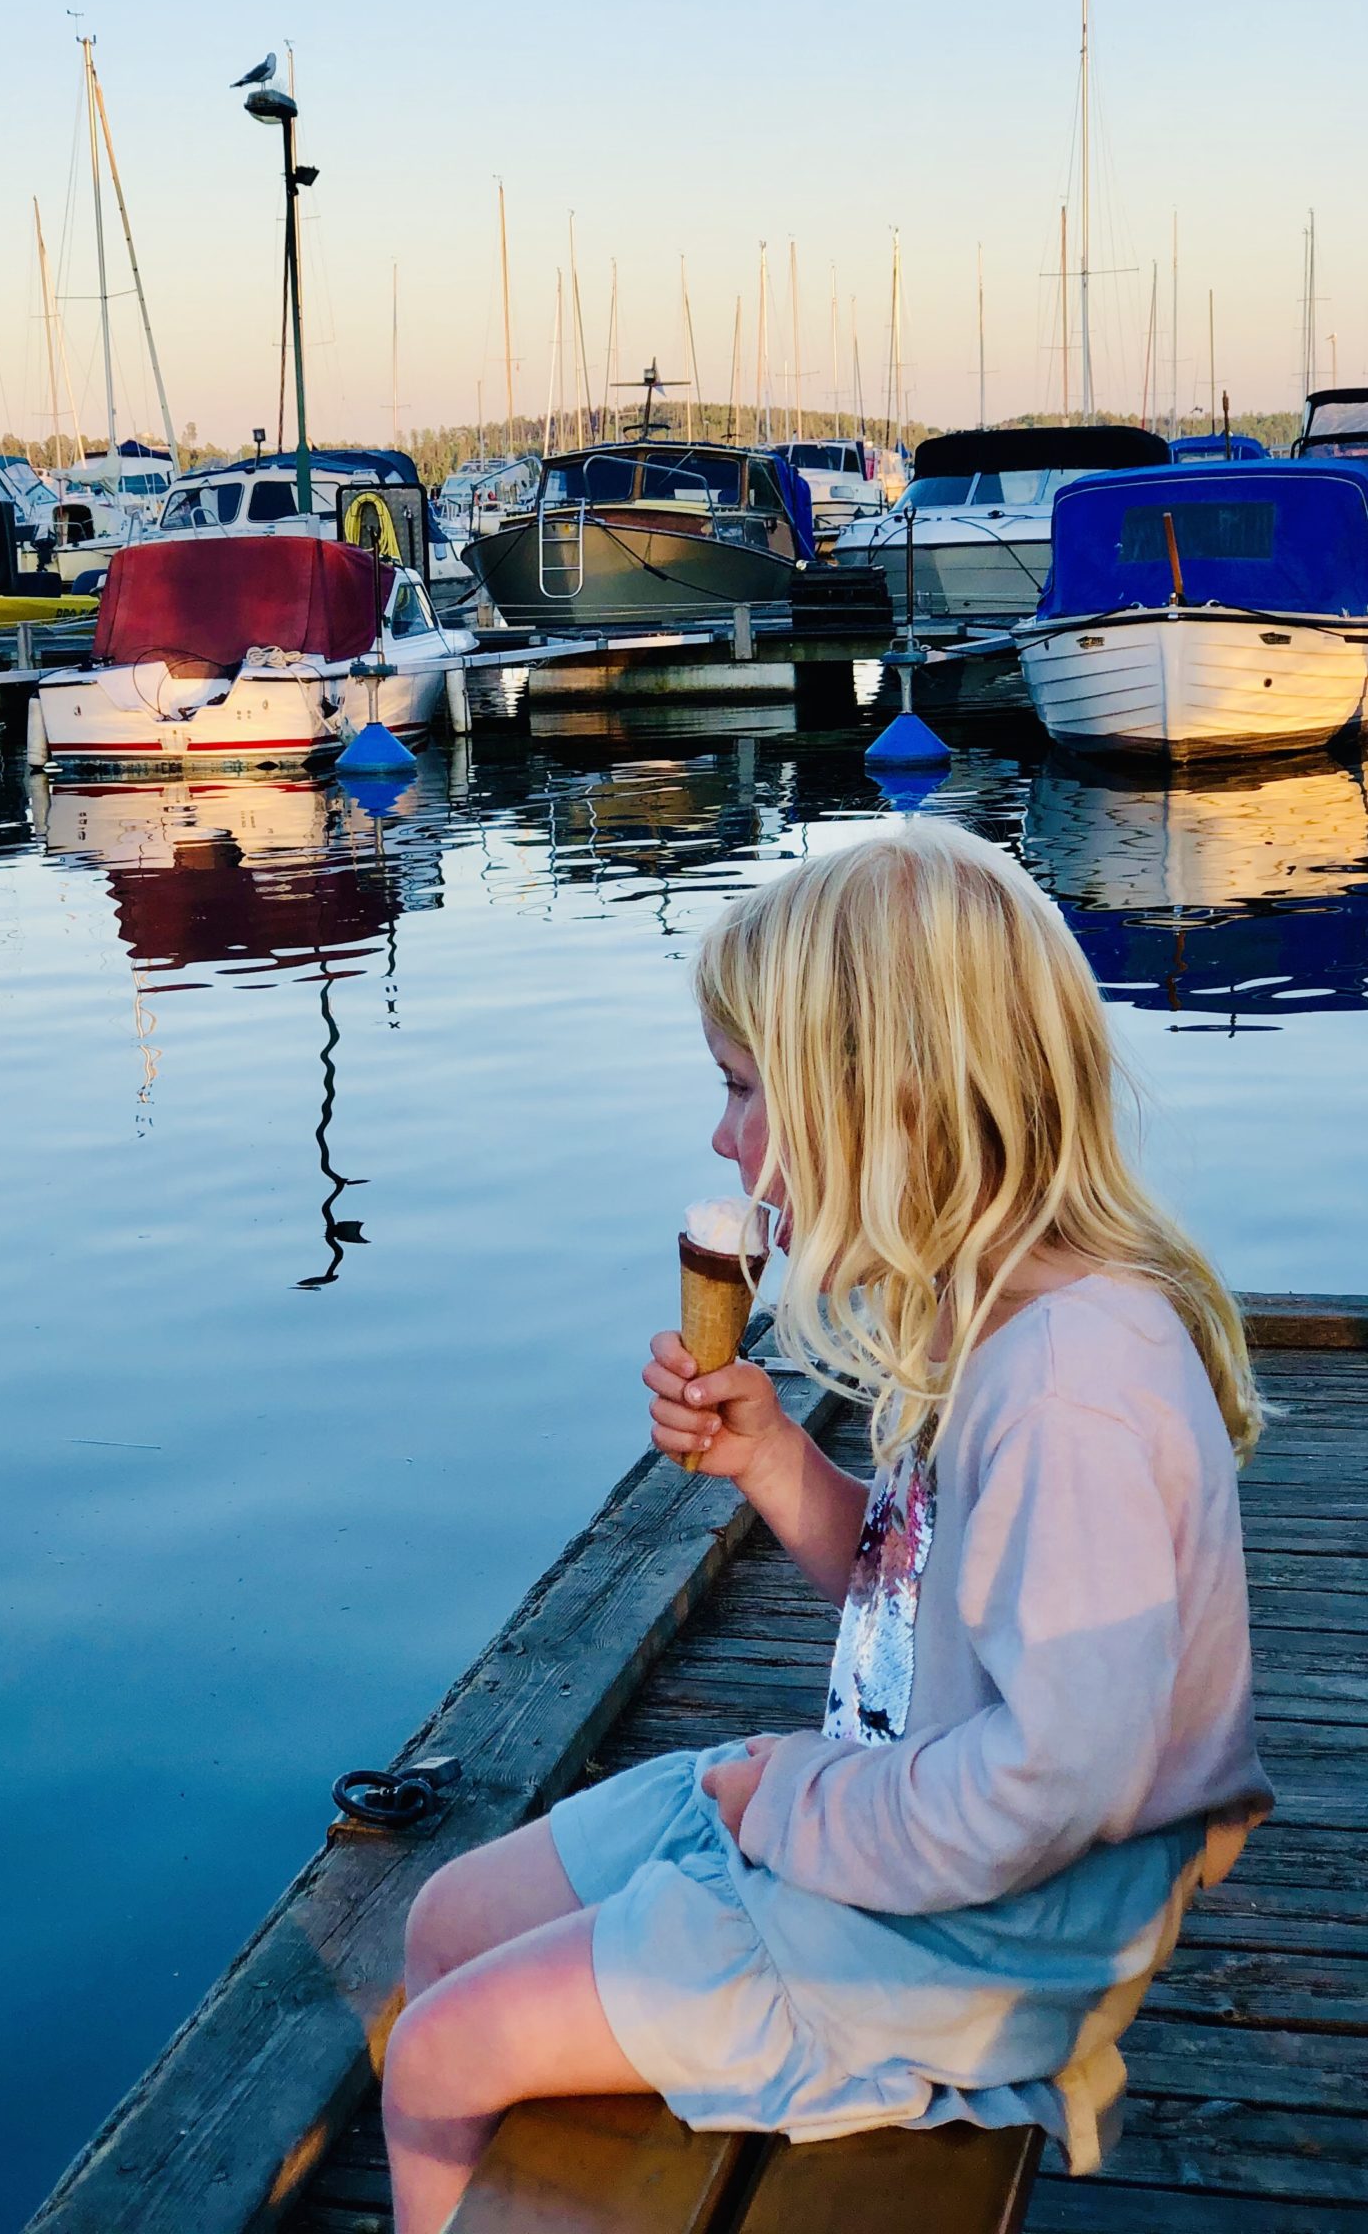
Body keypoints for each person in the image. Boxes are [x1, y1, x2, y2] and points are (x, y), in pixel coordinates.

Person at [381, 821, 1271, 2234]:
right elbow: (932, 1607)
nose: (722, 1137)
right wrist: (779, 1463)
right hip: (907, 1818)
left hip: (996, 1932)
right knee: (443, 1929)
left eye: (745, 1091)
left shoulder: (1070, 1391)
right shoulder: (983, 1311)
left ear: (887, 1101)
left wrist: (788, 1800)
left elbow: (1053, 1789)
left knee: (444, 2052)